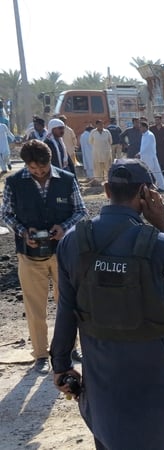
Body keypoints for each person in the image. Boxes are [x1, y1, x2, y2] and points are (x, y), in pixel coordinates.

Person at [49, 158, 164, 450]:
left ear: (106, 189)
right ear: (145, 193)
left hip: (102, 364)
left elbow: (66, 308)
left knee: (108, 436)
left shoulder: (73, 241)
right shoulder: (156, 241)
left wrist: (61, 364)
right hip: (153, 368)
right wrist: (163, 224)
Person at [1, 139, 87, 373]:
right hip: (29, 255)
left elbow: (81, 211)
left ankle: (69, 349)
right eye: (33, 169)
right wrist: (22, 231)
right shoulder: (13, 182)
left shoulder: (67, 180)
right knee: (35, 307)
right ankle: (40, 354)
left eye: (43, 168)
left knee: (67, 304)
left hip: (63, 255)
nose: (39, 173)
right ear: (27, 165)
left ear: (50, 162)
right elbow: (6, 214)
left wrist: (64, 227)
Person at [138, 121, 164, 191]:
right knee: (154, 172)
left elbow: (147, 146)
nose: (140, 129)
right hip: (145, 157)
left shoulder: (150, 135)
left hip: (150, 157)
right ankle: (159, 186)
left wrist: (139, 153)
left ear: (145, 127)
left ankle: (161, 187)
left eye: (140, 127)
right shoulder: (144, 135)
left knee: (155, 172)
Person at [89, 120, 113, 184]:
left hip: (106, 153)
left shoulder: (107, 132)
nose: (101, 126)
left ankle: (107, 181)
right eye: (99, 124)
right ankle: (99, 181)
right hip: (97, 153)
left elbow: (110, 141)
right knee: (97, 168)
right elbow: (90, 141)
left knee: (107, 167)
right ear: (96, 125)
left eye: (102, 124)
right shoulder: (93, 132)